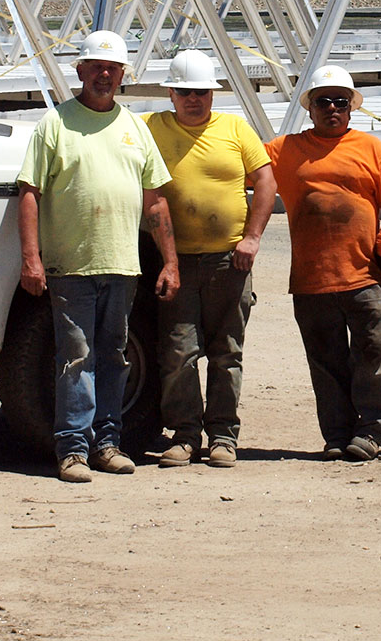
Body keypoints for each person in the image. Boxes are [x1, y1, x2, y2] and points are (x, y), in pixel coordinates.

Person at [17, 30, 180, 484]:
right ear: (81, 71)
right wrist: (31, 258)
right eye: (96, 67)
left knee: (114, 356)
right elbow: (29, 193)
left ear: (123, 75)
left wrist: (169, 261)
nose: (104, 74)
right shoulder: (55, 124)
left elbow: (155, 201)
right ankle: (72, 450)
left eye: (112, 68)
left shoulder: (135, 129)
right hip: (70, 266)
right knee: (75, 357)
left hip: (123, 265)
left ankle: (108, 445)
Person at [267, 65, 381, 461]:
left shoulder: (371, 149)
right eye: (324, 101)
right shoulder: (284, 150)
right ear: (309, 107)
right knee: (325, 363)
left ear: (351, 109)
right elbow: (241, 169)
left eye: (341, 103)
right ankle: (336, 433)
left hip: (364, 275)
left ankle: (371, 431)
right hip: (312, 281)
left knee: (373, 354)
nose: (333, 108)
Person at [144, 50, 276, 468]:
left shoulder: (236, 129)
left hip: (228, 263)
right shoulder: (151, 127)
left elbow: (267, 182)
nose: (193, 99)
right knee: (178, 353)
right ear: (170, 93)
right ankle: (185, 435)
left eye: (201, 92)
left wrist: (252, 238)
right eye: (184, 92)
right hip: (175, 260)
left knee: (226, 352)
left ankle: (223, 436)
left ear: (212, 94)